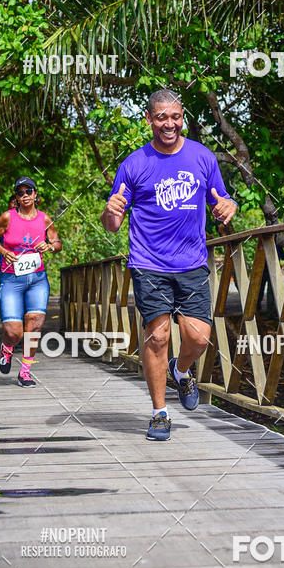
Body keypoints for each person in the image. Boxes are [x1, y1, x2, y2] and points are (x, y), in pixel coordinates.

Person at [100, 90, 237, 441]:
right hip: (149, 263)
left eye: (175, 117)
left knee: (199, 338)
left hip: (191, 261)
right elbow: (113, 222)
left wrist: (229, 207)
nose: (169, 124)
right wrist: (110, 213)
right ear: (149, 119)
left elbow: (222, 200)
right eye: (161, 117)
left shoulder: (202, 157)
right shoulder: (134, 164)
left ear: (182, 119)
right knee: (158, 336)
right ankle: (160, 413)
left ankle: (182, 368)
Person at [0, 177, 62, 387]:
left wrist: (50, 247)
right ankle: (7, 348)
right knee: (13, 332)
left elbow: (57, 242)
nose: (25, 195)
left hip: (37, 279)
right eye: (20, 193)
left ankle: (25, 372)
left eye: (28, 191)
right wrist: (3, 251)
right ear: (16, 198)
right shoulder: (7, 218)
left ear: (35, 194)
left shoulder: (45, 219)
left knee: (35, 326)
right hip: (11, 279)